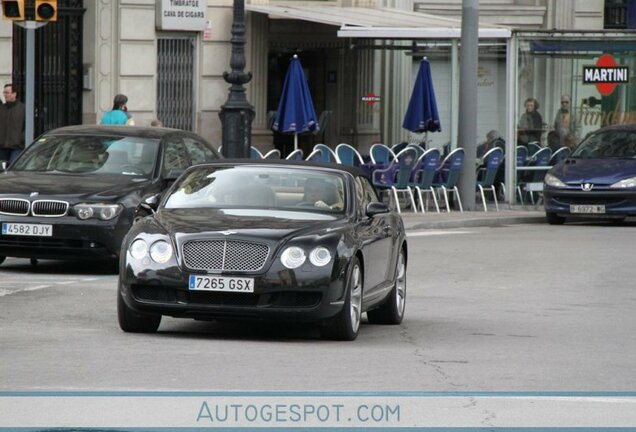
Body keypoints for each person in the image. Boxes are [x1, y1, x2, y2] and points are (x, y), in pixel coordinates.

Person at [0, 83, 26, 166]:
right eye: (4, 93)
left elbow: (27, 126)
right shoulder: (1, 109)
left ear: (14, 94)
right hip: (2, 146)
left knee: (13, 167)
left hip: (17, 147)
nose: (5, 95)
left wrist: (21, 139)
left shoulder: (23, 108)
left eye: (7, 93)